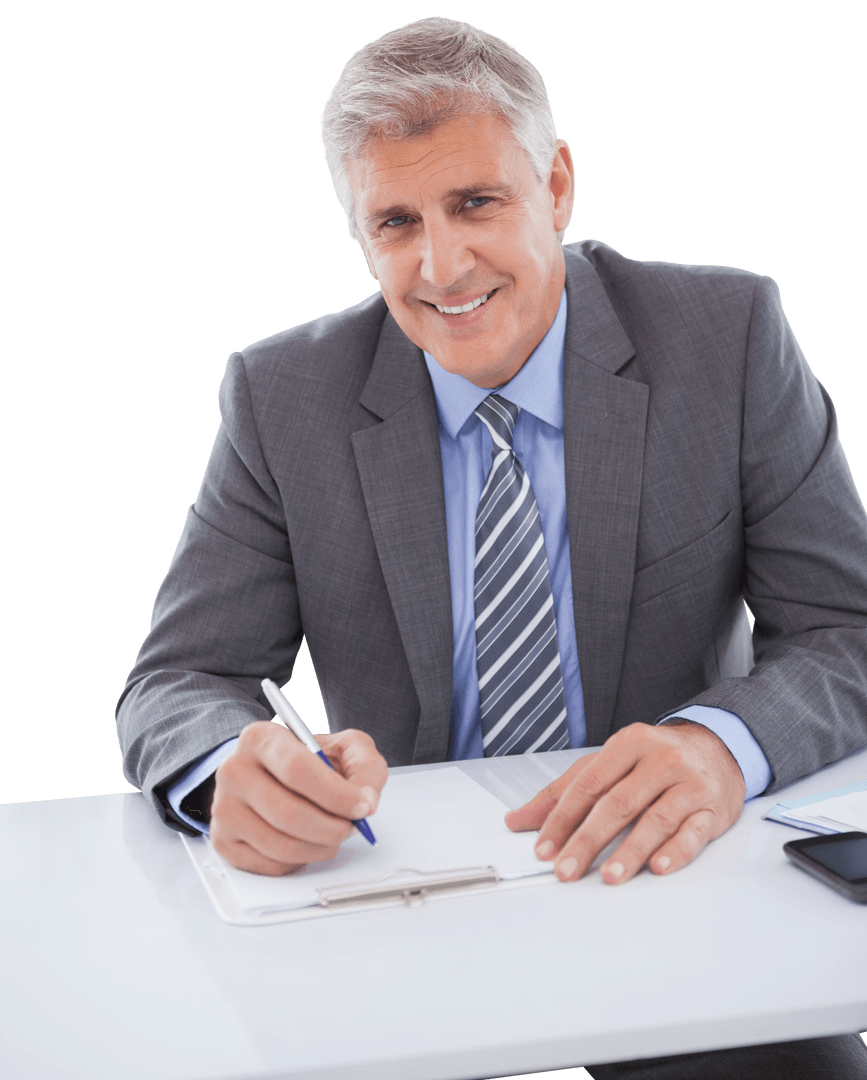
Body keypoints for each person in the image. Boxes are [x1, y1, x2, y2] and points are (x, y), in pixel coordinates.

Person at [116, 16, 867, 1078]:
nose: (441, 263)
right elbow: (180, 677)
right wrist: (223, 767)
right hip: (400, 904)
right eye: (394, 222)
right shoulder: (283, 397)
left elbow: (848, 629)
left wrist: (717, 747)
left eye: (476, 202)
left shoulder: (727, 339)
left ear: (556, 185)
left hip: (674, 883)